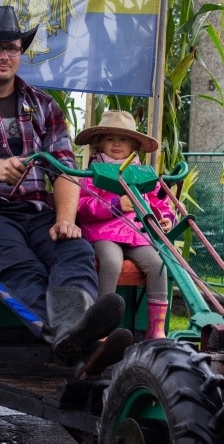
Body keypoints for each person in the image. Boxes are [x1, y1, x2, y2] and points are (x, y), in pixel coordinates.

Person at [0, 5, 132, 375]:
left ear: (21, 52)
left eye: (13, 48)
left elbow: (66, 170)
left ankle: (78, 334)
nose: (5, 56)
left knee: (76, 251)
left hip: (39, 213)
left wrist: (67, 219)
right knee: (21, 269)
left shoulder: (44, 105)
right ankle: (81, 341)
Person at [75, 111, 174, 340]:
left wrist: (165, 218)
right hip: (103, 233)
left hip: (136, 233)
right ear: (100, 144)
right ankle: (100, 327)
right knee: (110, 262)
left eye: (123, 139)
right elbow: (82, 204)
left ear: (133, 146)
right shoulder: (93, 172)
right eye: (110, 139)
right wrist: (115, 204)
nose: (117, 144)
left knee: (158, 265)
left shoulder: (143, 174)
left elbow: (159, 202)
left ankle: (155, 331)